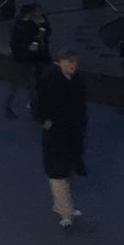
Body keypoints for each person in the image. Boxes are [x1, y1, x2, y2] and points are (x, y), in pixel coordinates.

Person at [35, 50, 87, 228]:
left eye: (74, 62)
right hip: (56, 134)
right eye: (69, 62)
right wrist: (44, 120)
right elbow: (38, 102)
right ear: (60, 62)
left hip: (71, 133)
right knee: (58, 172)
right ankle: (65, 211)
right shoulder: (51, 81)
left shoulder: (77, 81)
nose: (72, 66)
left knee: (65, 171)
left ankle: (62, 206)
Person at [5, 4, 51, 118]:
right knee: (30, 85)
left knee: (22, 84)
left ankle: (13, 107)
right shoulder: (25, 26)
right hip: (26, 58)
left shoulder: (21, 24)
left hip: (23, 58)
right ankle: (34, 109)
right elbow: (35, 39)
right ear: (30, 13)